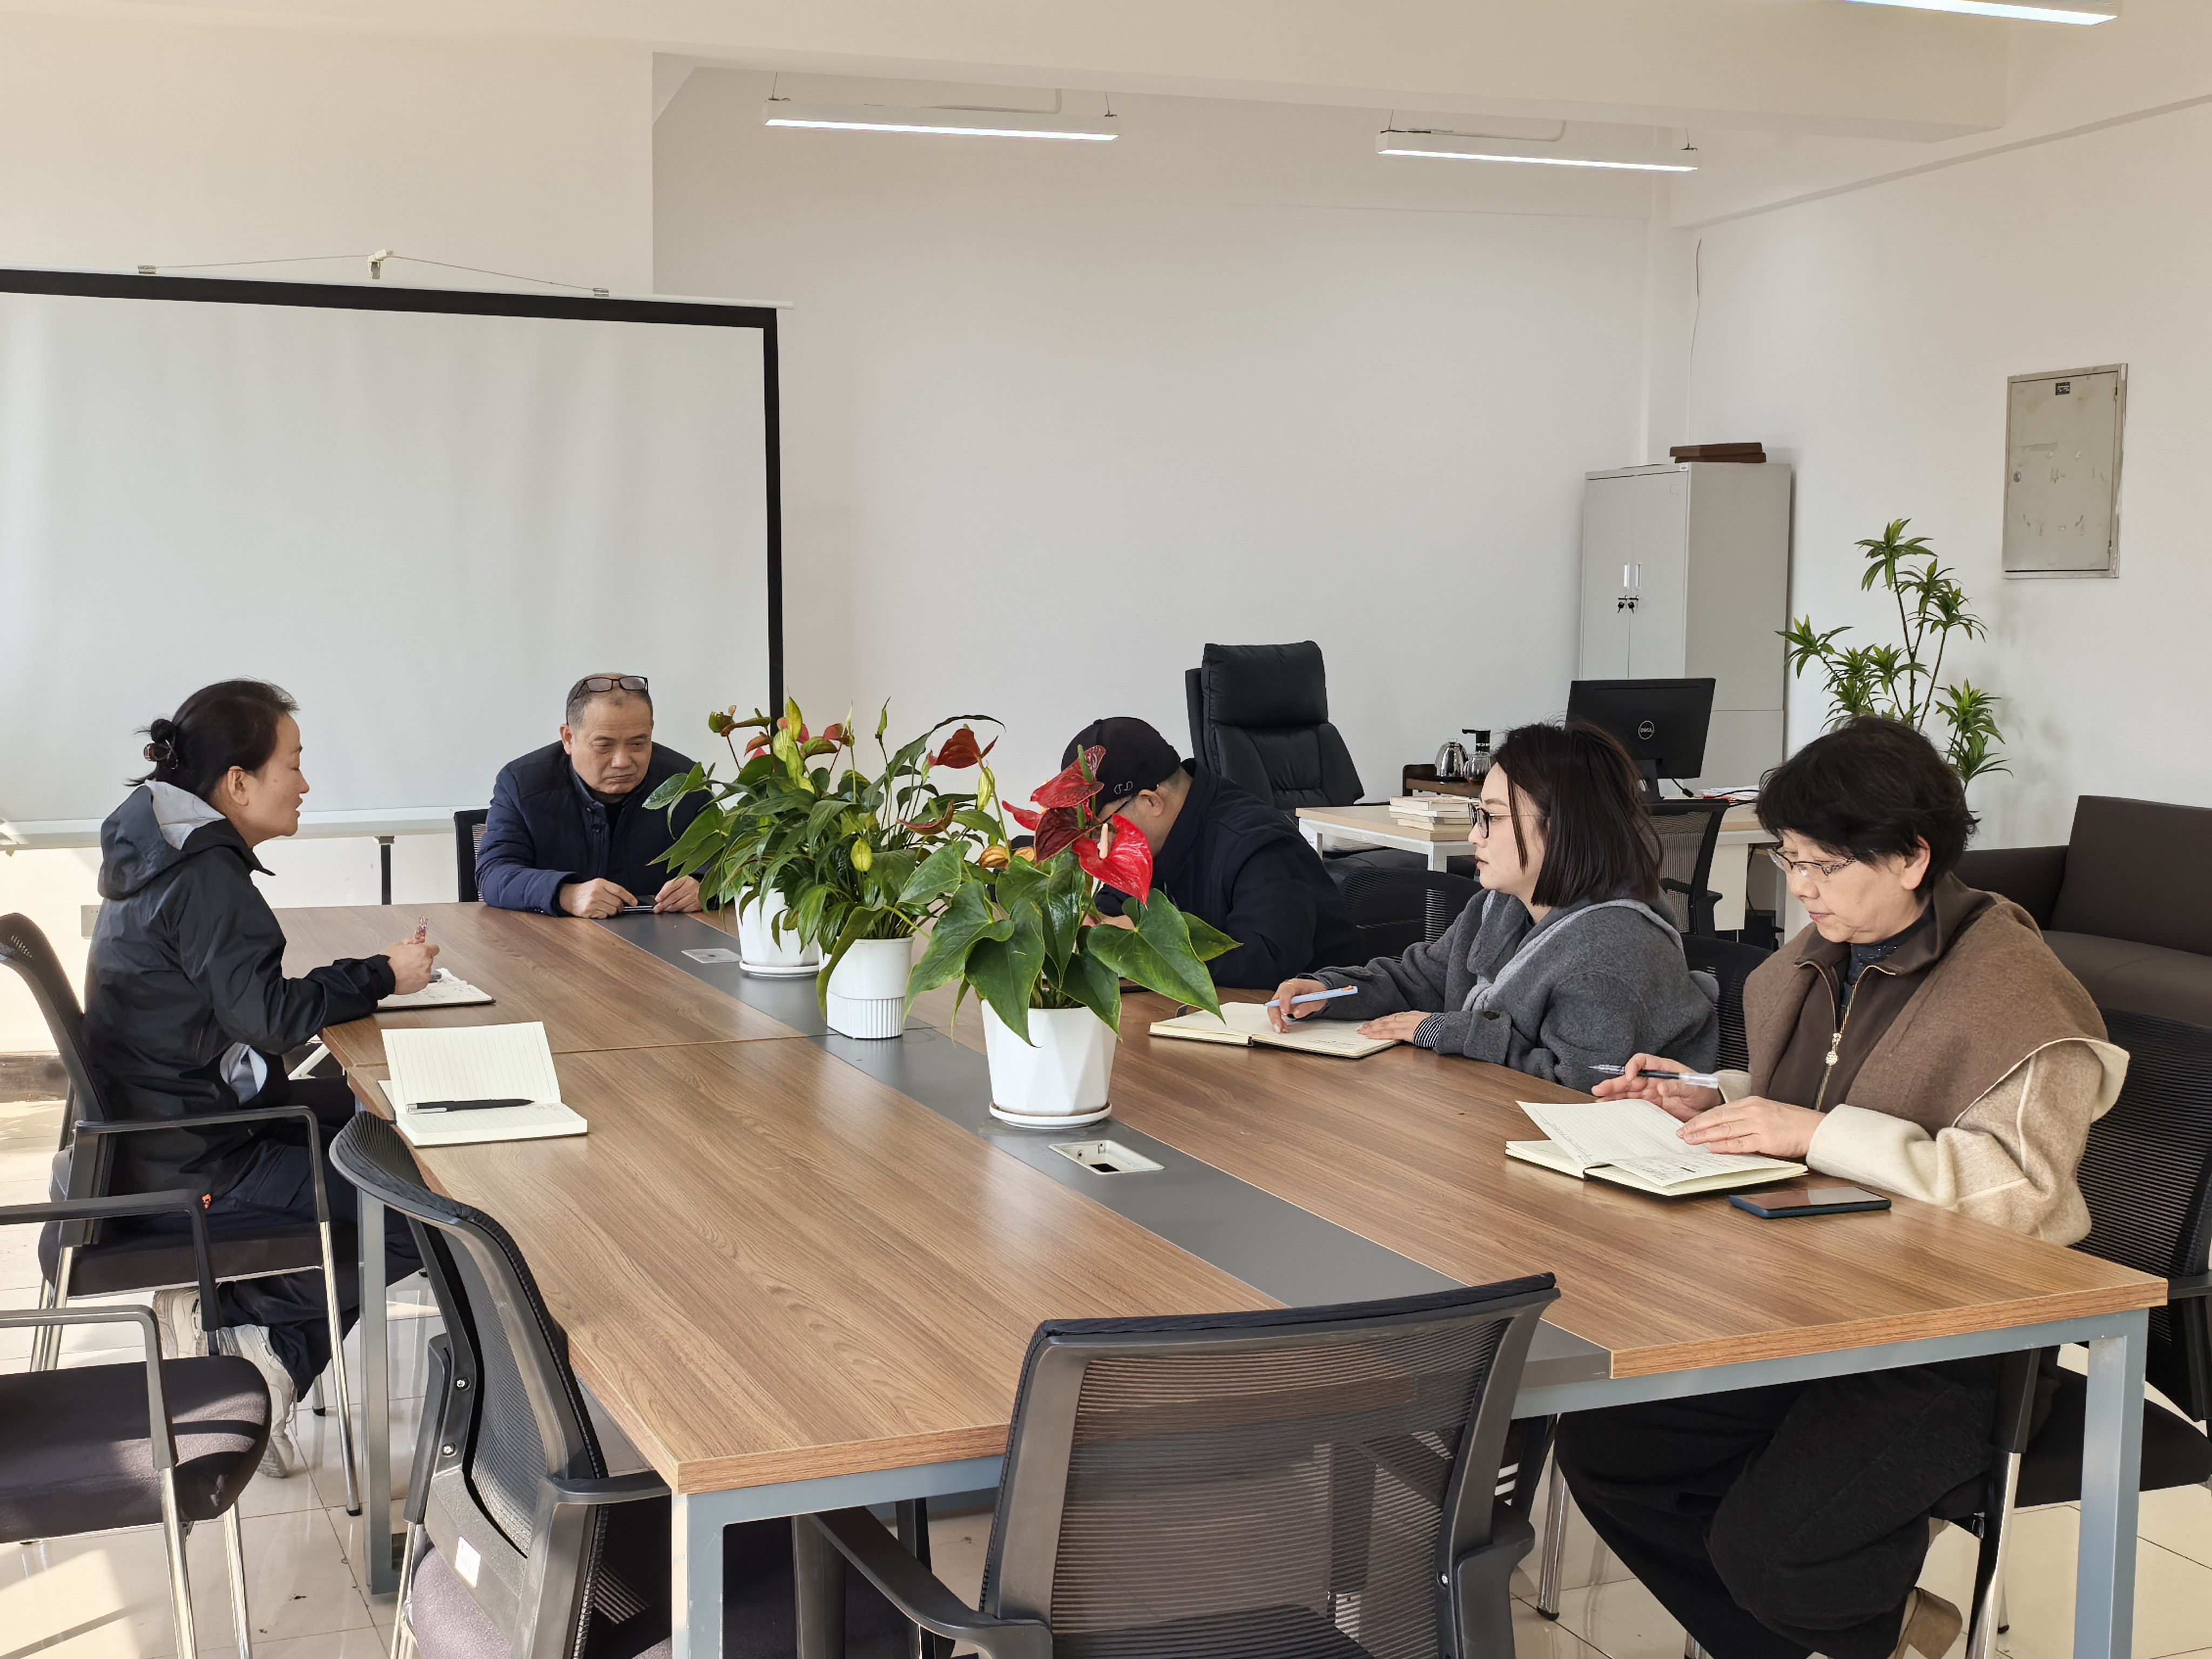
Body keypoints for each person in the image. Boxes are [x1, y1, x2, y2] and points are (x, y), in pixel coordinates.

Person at [1557, 716, 2127, 1659]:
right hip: (1806, 1307)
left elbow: (2021, 1195)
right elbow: (1825, 1099)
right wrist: (1720, 1099)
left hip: (1958, 1343)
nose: (1801, 888)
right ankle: (1873, 1631)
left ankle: (1848, 1624)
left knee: (1771, 1554)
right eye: (1791, 860)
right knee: (1607, 1450)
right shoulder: (1822, 959)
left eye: (1824, 865)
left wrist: (1810, 1133)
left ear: (1912, 858)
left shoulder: (2022, 998)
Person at [82, 680, 436, 1476]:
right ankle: (245, 1336)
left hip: (167, 1129)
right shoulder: (204, 877)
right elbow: (271, 1021)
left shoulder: (159, 847)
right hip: (200, 1159)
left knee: (385, 1129)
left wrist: (369, 975)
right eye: (293, 764)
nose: (305, 783)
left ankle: (258, 1344)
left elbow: (249, 1009)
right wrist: (383, 974)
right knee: (431, 1210)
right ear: (238, 783)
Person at [1269, 720, 1717, 1087]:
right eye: (1478, 815)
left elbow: (1578, 1088)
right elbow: (1420, 981)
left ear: (1562, 827)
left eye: (1493, 817)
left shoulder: (1615, 950)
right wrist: (1328, 991)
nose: (1474, 836)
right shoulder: (1501, 905)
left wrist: (1444, 1030)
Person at [1061, 716, 1361, 988]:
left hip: (1317, 1021)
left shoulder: (1256, 844)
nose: (1100, 845)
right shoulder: (1150, 840)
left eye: (1105, 828)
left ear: (1151, 802)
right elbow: (1112, 910)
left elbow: (1267, 962)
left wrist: (1147, 944)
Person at [475, 672, 708, 918]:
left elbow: (725, 862)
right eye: (604, 745)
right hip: (553, 936)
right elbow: (494, 874)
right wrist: (566, 894)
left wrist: (704, 884)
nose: (622, 762)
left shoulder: (685, 782)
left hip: (660, 934)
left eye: (638, 744)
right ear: (569, 739)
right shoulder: (522, 784)